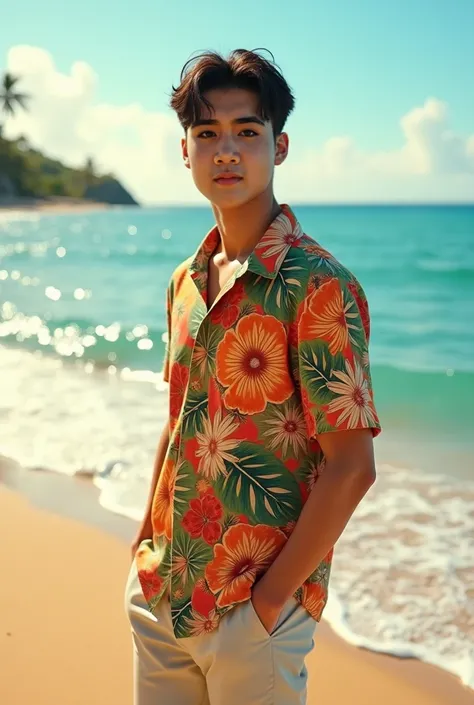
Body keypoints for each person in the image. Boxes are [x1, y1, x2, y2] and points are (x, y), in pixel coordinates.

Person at [125, 48, 381, 705]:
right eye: (206, 134)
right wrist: (143, 545)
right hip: (164, 592)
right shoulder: (185, 281)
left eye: (247, 132)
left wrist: (268, 603)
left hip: (252, 610)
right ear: (185, 152)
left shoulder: (318, 285)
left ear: (281, 145)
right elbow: (180, 416)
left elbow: (352, 465)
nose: (226, 151)